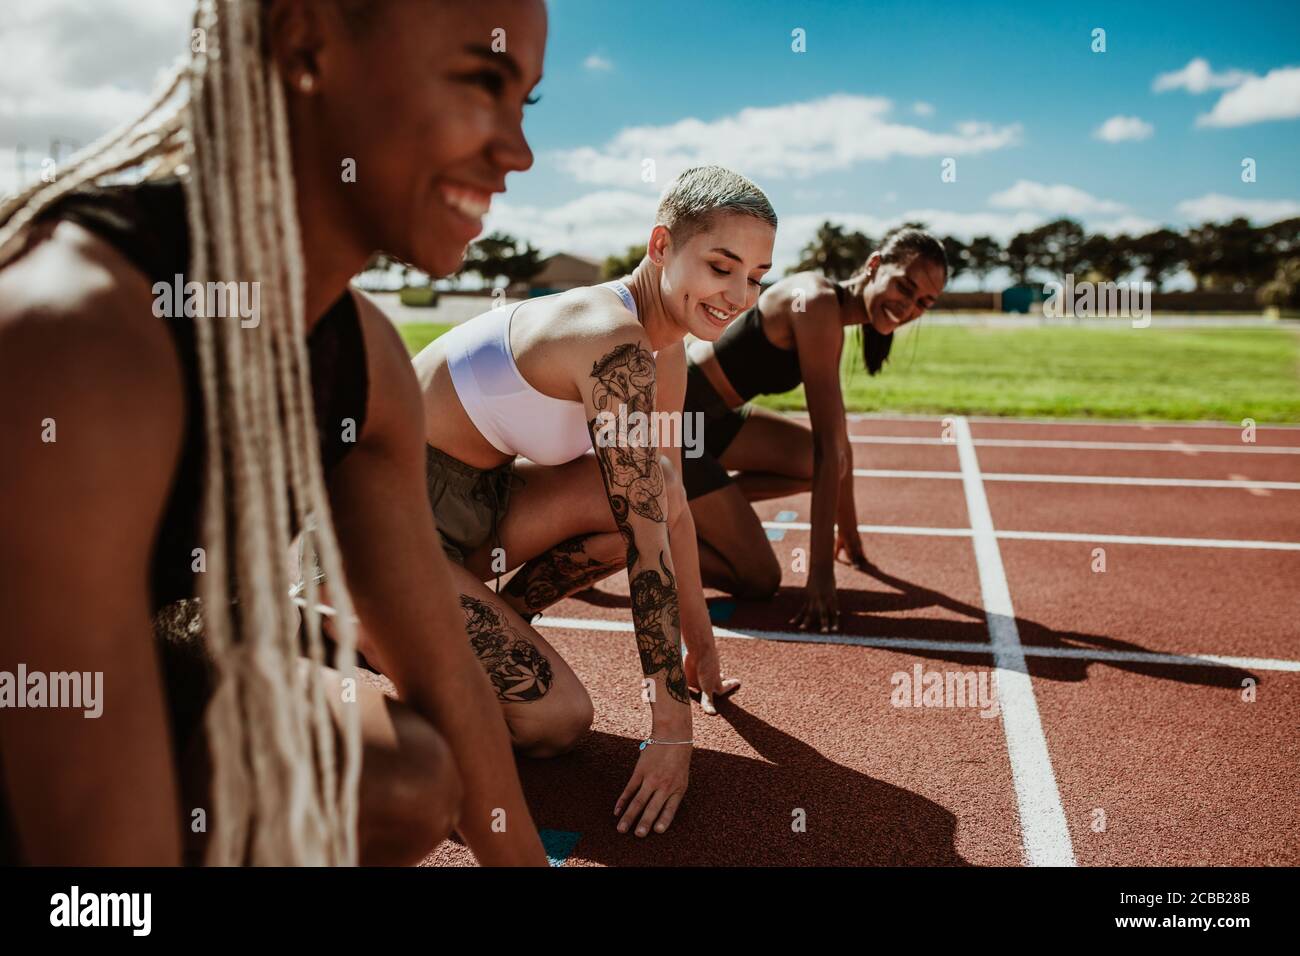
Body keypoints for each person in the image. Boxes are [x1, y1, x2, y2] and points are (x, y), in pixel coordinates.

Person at [0, 0, 549, 866]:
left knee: (399, 777)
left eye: (529, 102)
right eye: (482, 82)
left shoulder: (360, 355)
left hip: (117, 664)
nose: (518, 150)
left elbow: (445, 676)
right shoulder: (84, 339)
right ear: (304, 43)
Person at [403, 165, 775, 838]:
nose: (740, 294)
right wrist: (670, 729)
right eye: (722, 266)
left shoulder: (666, 352)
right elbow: (645, 540)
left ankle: (489, 627)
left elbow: (669, 505)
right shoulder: (610, 334)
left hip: (481, 508)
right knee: (557, 722)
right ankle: (372, 659)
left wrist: (701, 643)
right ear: (662, 245)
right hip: (381, 527)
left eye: (756, 276)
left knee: (653, 484)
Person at [681, 228, 948, 632]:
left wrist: (850, 539)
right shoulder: (817, 304)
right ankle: (633, 535)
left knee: (813, 462)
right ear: (874, 265)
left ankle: (696, 506)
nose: (908, 306)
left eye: (923, 302)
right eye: (904, 286)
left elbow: (838, 445)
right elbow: (829, 447)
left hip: (711, 423)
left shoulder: (830, 312)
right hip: (673, 424)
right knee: (758, 579)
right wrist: (820, 572)